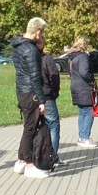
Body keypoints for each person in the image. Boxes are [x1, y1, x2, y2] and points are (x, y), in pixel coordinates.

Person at [11, 17, 50, 178]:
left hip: (22, 90)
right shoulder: (31, 50)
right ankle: (29, 165)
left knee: (28, 126)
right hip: (31, 93)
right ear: (38, 32)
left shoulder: (18, 46)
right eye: (42, 33)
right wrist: (41, 100)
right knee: (30, 129)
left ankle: (20, 161)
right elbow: (35, 76)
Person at [36, 34, 66, 166]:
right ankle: (52, 157)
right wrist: (54, 91)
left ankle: (34, 157)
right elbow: (54, 75)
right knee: (53, 126)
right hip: (46, 96)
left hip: (31, 97)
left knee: (34, 127)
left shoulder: (27, 58)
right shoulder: (46, 59)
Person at [65, 37, 98, 148]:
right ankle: (85, 137)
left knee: (82, 112)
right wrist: (92, 80)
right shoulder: (83, 57)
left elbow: (71, 73)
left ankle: (81, 136)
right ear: (84, 45)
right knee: (89, 112)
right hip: (85, 88)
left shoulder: (72, 57)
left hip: (75, 86)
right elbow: (84, 73)